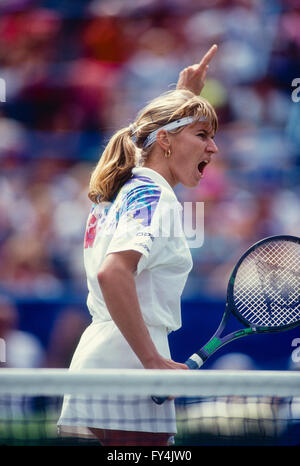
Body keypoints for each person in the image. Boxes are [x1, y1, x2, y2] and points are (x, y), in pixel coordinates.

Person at [57, 45, 219, 446]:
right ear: (164, 140)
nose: (213, 148)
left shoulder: (126, 188)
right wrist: (151, 361)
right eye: (202, 135)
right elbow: (113, 273)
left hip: (106, 353)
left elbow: (152, 129)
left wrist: (186, 96)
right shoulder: (153, 195)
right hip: (129, 361)